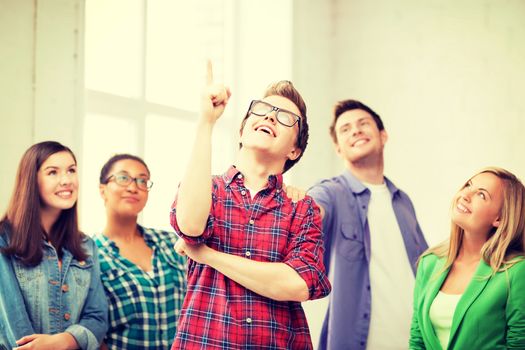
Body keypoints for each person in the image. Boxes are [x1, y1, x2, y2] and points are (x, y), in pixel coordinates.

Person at [170, 63, 331, 349]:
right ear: (242, 132)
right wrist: (206, 122)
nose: (270, 115)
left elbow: (297, 284)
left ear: (295, 149)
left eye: (285, 117)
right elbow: (190, 227)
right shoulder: (209, 189)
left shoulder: (302, 207)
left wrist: (207, 255)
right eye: (262, 109)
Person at [307, 100, 428, 350]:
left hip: (416, 341)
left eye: (363, 124)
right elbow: (310, 212)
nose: (355, 131)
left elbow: (427, 269)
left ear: (383, 136)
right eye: (345, 129)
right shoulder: (330, 192)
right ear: (338, 149)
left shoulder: (403, 201)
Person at [0, 141, 108, 350]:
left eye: (71, 170)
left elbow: (98, 317)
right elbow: (13, 324)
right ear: (32, 180)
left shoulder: (87, 245)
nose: (66, 180)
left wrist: (65, 340)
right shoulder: (4, 240)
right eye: (53, 172)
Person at [410, 167, 525, 349]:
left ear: (500, 219)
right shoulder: (429, 262)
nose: (465, 195)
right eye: (468, 185)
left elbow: (519, 344)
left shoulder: (516, 271)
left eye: (481, 195)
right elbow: (417, 340)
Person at [94, 154, 186, 349]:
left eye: (142, 180)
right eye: (123, 178)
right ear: (103, 190)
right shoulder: (90, 256)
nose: (133, 187)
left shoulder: (171, 243)